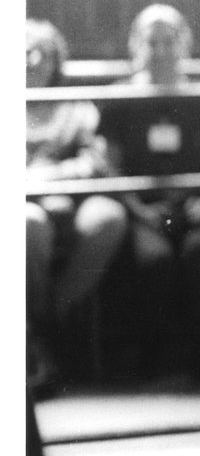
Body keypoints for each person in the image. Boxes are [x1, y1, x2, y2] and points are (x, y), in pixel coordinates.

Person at [96, 4, 200, 382]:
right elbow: (109, 167)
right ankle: (151, 359)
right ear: (137, 45)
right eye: (152, 42)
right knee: (153, 260)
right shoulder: (119, 97)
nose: (160, 50)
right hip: (143, 211)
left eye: (168, 41)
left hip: (194, 208)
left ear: (183, 44)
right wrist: (138, 210)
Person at [25, 19, 129, 383]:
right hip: (22, 204)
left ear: (56, 60)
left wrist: (52, 176)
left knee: (109, 217)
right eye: (25, 51)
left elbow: (94, 161)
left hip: (69, 197)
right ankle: (39, 336)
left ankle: (52, 313)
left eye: (43, 53)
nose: (33, 60)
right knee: (29, 224)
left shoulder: (74, 105)